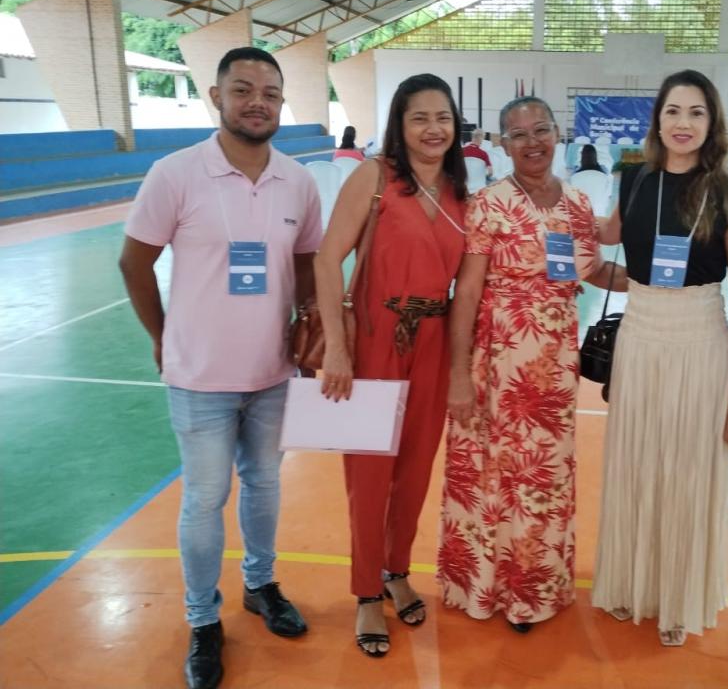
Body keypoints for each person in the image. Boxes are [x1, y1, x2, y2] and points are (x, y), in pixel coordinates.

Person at [119, 47, 318, 689]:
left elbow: (311, 261)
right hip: (199, 376)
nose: (257, 101)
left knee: (264, 484)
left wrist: (308, 319)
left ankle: (260, 585)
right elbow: (134, 262)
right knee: (205, 498)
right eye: (243, 89)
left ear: (282, 102)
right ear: (216, 96)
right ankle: (203, 620)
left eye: (270, 91)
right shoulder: (175, 173)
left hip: (272, 373)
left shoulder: (298, 179)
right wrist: (163, 334)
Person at [441, 96, 625, 633]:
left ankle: (533, 589)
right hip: (496, 359)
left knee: (541, 479)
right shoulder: (488, 203)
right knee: (493, 474)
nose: (532, 142)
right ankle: (486, 587)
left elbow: (592, 271)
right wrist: (458, 373)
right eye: (518, 134)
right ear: (502, 144)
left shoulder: (574, 204)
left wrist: (667, 287)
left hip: (553, 364)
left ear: (557, 133)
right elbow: (467, 293)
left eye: (541, 130)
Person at [590, 69, 728, 647]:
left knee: (688, 468)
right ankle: (631, 586)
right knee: (636, 460)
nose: (683, 123)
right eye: (673, 111)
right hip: (639, 334)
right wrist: (549, 225)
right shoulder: (633, 181)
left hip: (700, 341)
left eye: (696, 112)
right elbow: (605, 245)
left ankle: (680, 597)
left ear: (712, 124)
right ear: (657, 120)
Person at [313, 73, 468, 658]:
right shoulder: (374, 179)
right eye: (419, 118)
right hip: (377, 338)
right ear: (399, 127)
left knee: (416, 468)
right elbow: (329, 262)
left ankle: (396, 569)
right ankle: (365, 594)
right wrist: (336, 345)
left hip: (433, 341)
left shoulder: (459, 192)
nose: (433, 129)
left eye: (443, 118)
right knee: (370, 475)